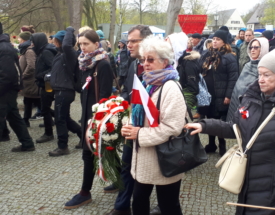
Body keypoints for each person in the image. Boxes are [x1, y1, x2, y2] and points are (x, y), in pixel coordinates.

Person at [185, 48, 275, 215]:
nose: (260, 80)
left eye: (267, 75)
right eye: (259, 74)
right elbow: (235, 127)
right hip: (248, 184)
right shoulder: (252, 98)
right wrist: (205, 125)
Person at [121, 35, 186, 215]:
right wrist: (129, 125)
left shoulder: (170, 87)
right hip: (145, 157)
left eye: (150, 59)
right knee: (139, 200)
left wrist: (139, 134)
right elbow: (137, 113)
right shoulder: (147, 82)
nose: (146, 64)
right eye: (143, 59)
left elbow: (173, 127)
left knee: (168, 206)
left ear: (165, 62)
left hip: (166, 158)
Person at [105, 25, 153, 215]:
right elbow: (129, 90)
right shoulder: (134, 64)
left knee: (152, 172)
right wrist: (116, 104)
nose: (128, 44)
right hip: (133, 123)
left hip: (152, 128)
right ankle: (122, 206)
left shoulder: (161, 64)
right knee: (127, 163)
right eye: (128, 40)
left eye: (134, 41)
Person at [64, 29, 113, 209]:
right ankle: (120, 179)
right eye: (81, 44)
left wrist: (98, 121)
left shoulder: (102, 64)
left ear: (96, 44)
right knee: (104, 152)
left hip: (97, 118)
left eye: (86, 44)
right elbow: (81, 88)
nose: (83, 48)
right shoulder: (84, 64)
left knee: (89, 154)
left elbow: (105, 96)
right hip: (86, 114)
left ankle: (85, 193)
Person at [198, 27, 239, 156]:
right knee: (209, 119)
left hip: (220, 94)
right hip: (207, 94)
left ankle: (222, 146)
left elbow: (233, 78)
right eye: (213, 39)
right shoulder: (208, 54)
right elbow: (200, 68)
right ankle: (211, 144)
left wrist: (228, 95)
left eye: (218, 39)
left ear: (224, 42)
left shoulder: (229, 57)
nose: (214, 42)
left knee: (219, 121)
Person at [0, 22, 35, 152]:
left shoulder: (3, 48)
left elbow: (7, 75)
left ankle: (27, 143)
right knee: (13, 116)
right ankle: (27, 143)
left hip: (5, 90)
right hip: (8, 89)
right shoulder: (4, 46)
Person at [48, 27, 82, 156]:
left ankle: (62, 147)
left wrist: (69, 31)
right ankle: (82, 135)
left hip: (64, 91)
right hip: (61, 90)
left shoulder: (69, 54)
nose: (53, 41)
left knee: (60, 119)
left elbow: (68, 45)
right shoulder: (60, 53)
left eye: (55, 39)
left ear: (60, 41)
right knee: (65, 118)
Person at [227, 38, 269, 122]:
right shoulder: (247, 65)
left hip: (252, 105)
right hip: (238, 101)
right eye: (251, 47)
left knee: (246, 125)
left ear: (263, 48)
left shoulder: (266, 67)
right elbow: (239, 86)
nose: (252, 50)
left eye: (256, 47)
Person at [31, 32, 57, 143]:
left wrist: (40, 75)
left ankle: (48, 133)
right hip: (45, 83)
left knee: (45, 109)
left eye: (33, 42)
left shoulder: (46, 52)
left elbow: (53, 68)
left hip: (48, 84)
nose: (31, 44)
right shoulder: (42, 50)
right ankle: (64, 121)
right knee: (45, 108)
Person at [18, 31, 39, 127]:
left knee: (37, 102)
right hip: (28, 82)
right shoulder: (25, 49)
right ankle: (25, 120)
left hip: (30, 81)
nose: (18, 40)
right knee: (28, 101)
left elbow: (31, 66)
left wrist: (23, 76)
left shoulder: (29, 51)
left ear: (23, 39)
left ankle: (55, 118)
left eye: (19, 38)